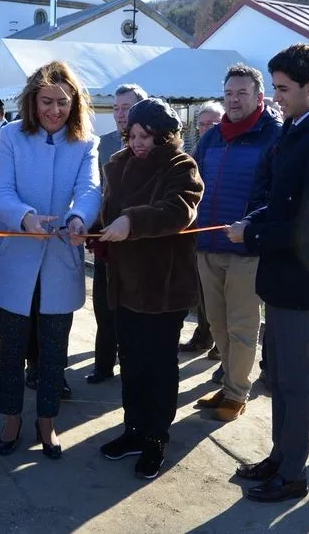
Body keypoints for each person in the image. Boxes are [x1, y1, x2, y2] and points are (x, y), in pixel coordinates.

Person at [225, 43, 309, 503]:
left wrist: (254, 236)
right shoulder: (296, 130)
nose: (275, 96)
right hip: (280, 274)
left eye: (282, 88)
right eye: (274, 86)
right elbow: (279, 199)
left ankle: (293, 472)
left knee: (295, 379)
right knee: (278, 373)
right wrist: (254, 220)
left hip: (302, 278)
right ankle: (280, 457)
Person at [0, 61, 101, 460]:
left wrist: (80, 217)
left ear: (75, 104)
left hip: (60, 259)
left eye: (63, 103)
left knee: (54, 350)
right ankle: (12, 417)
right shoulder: (11, 135)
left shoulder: (86, 143)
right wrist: (24, 217)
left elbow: (90, 189)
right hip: (16, 258)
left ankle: (46, 421)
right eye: (46, 101)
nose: (54, 110)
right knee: (11, 348)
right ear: (32, 102)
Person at [97, 98, 204, 479]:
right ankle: (133, 430)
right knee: (132, 362)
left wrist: (131, 222)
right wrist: (88, 229)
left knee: (159, 366)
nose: (139, 142)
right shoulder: (119, 165)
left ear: (166, 136)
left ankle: (156, 438)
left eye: (147, 136)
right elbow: (106, 212)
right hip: (124, 284)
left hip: (163, 288)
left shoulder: (182, 166)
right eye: (133, 135)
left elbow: (179, 210)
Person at [192, 64, 282, 422]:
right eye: (229, 93)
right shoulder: (212, 138)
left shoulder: (273, 135)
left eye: (241, 93)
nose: (233, 99)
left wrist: (250, 224)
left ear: (259, 97)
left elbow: (277, 193)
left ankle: (236, 394)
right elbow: (193, 182)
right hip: (207, 244)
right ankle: (229, 383)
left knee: (242, 326)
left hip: (246, 249)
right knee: (216, 324)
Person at [85, 83, 146, 386]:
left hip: (140, 244)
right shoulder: (103, 144)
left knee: (133, 308)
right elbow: (93, 191)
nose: (122, 114)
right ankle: (104, 363)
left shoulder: (153, 144)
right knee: (103, 305)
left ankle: (132, 361)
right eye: (118, 108)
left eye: (128, 108)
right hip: (106, 241)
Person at [180, 100, 224, 361]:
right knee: (202, 287)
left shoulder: (225, 146)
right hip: (199, 227)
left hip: (222, 227)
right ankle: (204, 334)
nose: (206, 128)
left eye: (212, 123)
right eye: (202, 124)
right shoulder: (197, 150)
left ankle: (220, 342)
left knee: (222, 292)